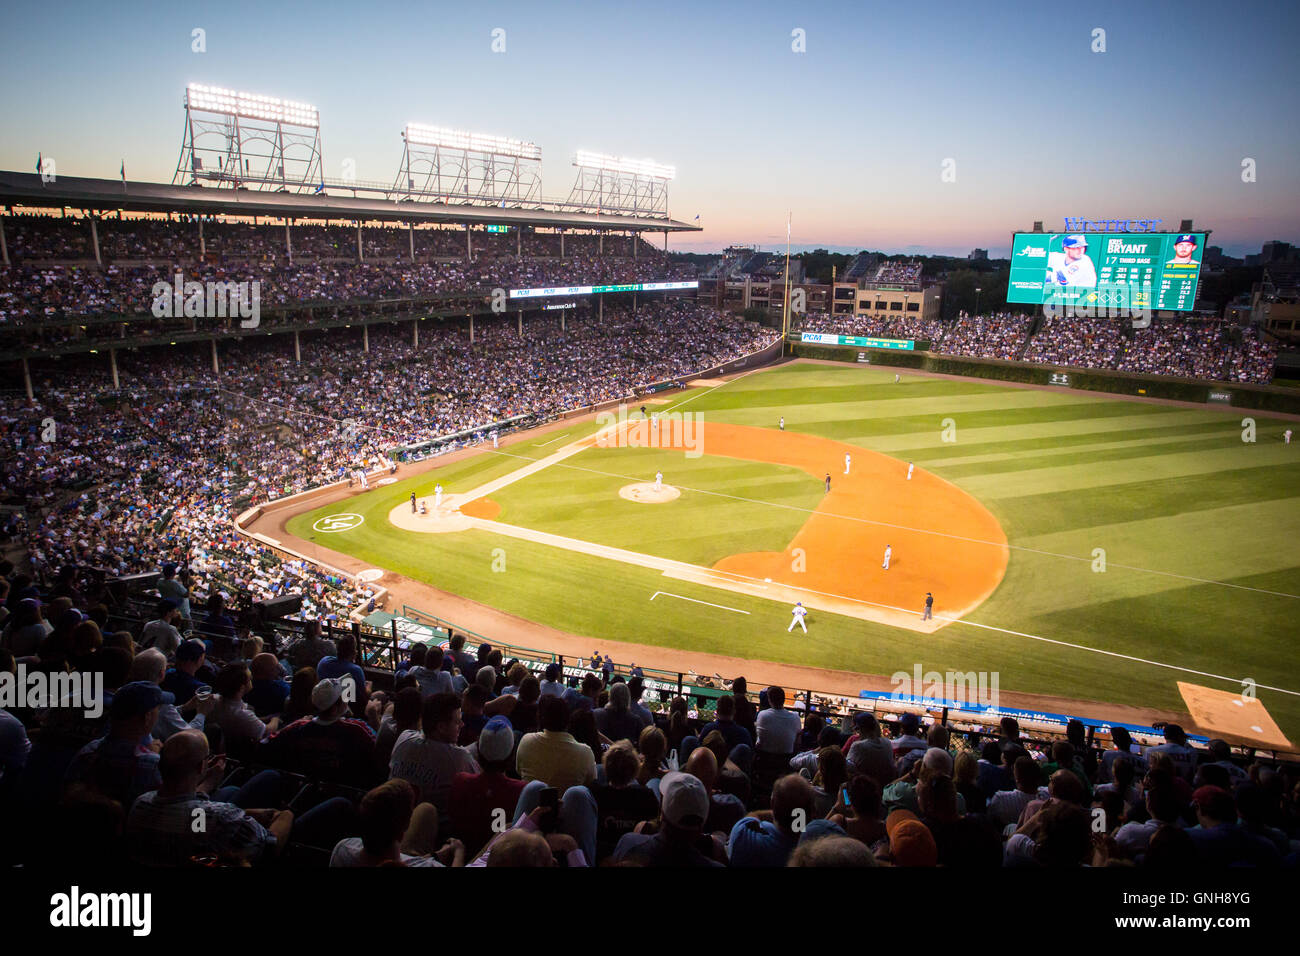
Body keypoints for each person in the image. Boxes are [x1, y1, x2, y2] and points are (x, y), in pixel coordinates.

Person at [126, 730, 286, 866]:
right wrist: (284, 815)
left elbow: (194, 819)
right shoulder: (218, 817)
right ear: (201, 766)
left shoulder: (140, 804)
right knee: (270, 777)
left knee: (231, 790)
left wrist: (206, 785)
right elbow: (270, 846)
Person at [388, 692, 480, 816]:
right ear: (441, 727)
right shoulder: (459, 758)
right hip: (431, 831)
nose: (462, 725)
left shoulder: (404, 738)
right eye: (457, 722)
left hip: (389, 816)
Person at [515, 695, 596, 792]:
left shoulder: (526, 740)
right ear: (568, 720)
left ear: (541, 719)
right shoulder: (585, 752)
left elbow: (519, 771)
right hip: (568, 805)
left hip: (531, 804)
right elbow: (590, 782)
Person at [755, 686, 801, 756]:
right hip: (787, 759)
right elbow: (797, 742)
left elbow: (759, 741)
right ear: (784, 700)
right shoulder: (796, 717)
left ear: (769, 700)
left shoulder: (762, 714)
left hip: (765, 758)